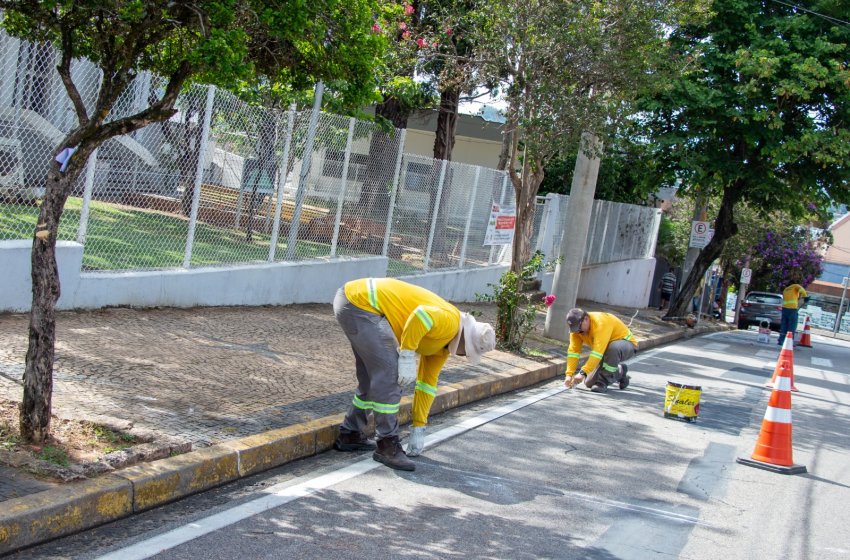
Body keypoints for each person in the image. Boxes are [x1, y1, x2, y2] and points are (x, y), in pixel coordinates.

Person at [332, 277, 496, 471]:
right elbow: (420, 316)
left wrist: (419, 426)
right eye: (468, 352)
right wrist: (408, 354)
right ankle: (386, 444)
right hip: (360, 302)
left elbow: (426, 386)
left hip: (353, 301)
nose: (463, 355)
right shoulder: (450, 323)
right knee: (390, 375)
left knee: (372, 378)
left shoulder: (442, 348)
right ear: (465, 343)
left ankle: (350, 433)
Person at [564, 307, 638, 393]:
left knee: (613, 348)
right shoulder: (576, 331)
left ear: (586, 319)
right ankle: (620, 372)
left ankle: (603, 382)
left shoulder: (600, 322)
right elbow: (573, 352)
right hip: (604, 351)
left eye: (579, 327)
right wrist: (569, 375)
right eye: (575, 329)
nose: (578, 331)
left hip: (626, 345)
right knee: (589, 383)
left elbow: (597, 353)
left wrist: (582, 373)